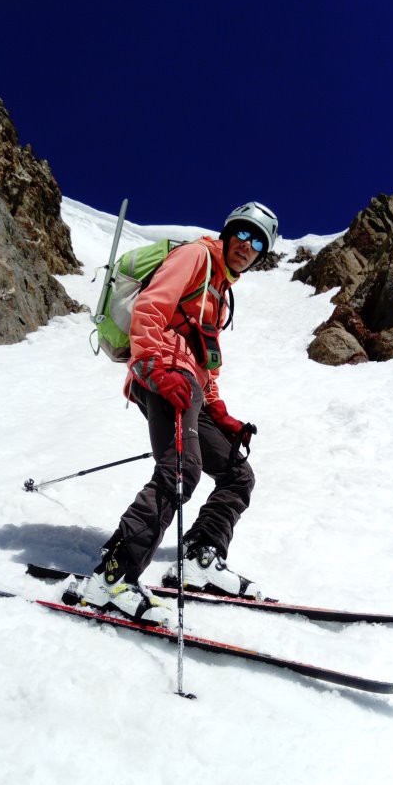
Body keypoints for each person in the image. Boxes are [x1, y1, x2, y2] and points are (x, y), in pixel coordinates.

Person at [78, 201, 279, 618]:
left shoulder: (221, 291)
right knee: (180, 470)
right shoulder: (196, 256)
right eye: (243, 232)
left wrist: (220, 413)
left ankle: (199, 560)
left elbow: (206, 358)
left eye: (258, 241)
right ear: (228, 231)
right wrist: (151, 365)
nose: (248, 244)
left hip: (189, 384)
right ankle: (111, 577)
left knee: (238, 474)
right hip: (163, 373)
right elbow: (152, 306)